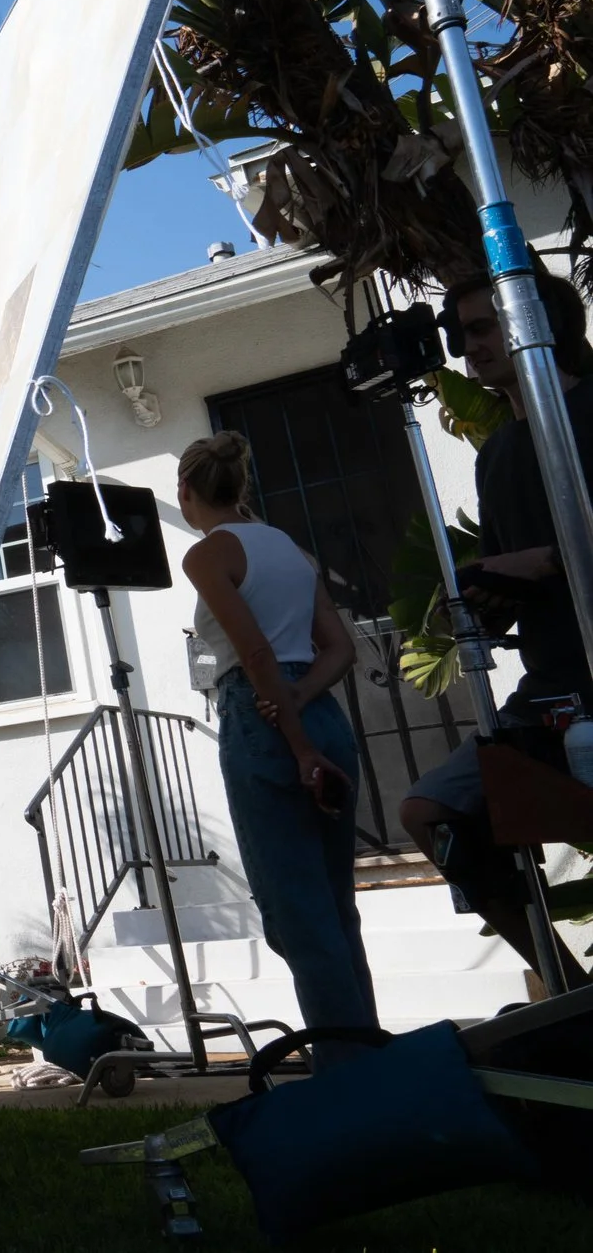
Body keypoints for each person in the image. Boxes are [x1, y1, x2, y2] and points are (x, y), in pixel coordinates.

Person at [402, 269, 593, 986]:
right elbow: (517, 577)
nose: (466, 347)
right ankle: (569, 991)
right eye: (460, 333)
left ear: (535, 322)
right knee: (432, 811)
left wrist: (540, 560)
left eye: (482, 328)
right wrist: (489, 598)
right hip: (551, 690)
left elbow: (556, 554)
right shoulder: (499, 454)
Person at [179, 432, 379, 1067]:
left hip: (263, 720)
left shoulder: (208, 556)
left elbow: (255, 652)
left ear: (186, 494)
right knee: (335, 903)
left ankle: (347, 1072)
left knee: (295, 910)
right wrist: (299, 700)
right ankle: (369, 1053)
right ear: (241, 488)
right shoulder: (290, 550)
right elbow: (341, 649)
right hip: (322, 715)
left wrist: (291, 736)